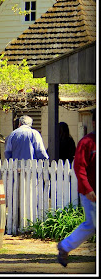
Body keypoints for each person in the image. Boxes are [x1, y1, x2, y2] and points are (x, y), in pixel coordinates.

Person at [57, 109, 96, 267]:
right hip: (90, 192)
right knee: (92, 224)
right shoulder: (86, 142)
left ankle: (65, 246)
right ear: (94, 123)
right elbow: (79, 167)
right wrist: (88, 189)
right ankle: (65, 246)